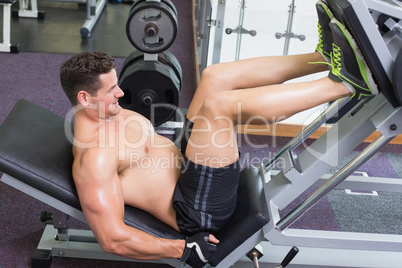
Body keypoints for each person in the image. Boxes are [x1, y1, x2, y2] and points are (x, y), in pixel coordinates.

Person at [59, 1, 378, 266]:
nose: (120, 92)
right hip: (196, 209)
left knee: (214, 77)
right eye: (111, 88)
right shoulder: (93, 159)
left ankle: (321, 58)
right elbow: (111, 238)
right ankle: (345, 84)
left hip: (187, 166)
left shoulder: (106, 111)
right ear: (84, 99)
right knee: (221, 107)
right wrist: (183, 249)